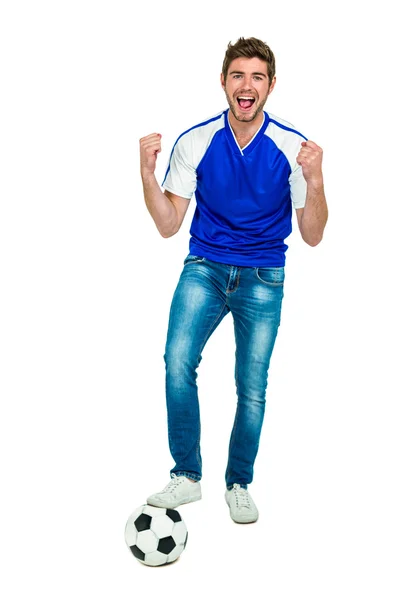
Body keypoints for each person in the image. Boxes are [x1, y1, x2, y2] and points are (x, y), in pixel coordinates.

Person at [139, 37, 328, 524]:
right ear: (224, 82)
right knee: (177, 361)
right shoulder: (196, 141)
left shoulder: (291, 148)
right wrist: (146, 174)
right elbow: (167, 225)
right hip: (205, 267)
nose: (247, 86)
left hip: (264, 276)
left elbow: (312, 236)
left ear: (270, 86)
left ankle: (238, 482)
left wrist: (317, 180)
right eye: (238, 76)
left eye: (257, 77)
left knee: (252, 385)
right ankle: (187, 475)